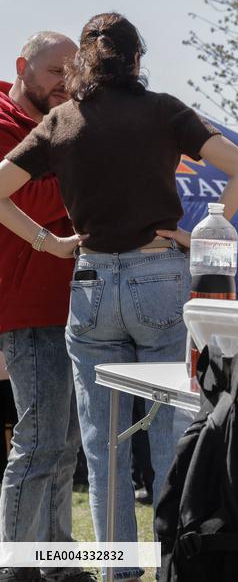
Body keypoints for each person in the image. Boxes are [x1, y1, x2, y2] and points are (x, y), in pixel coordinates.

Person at [0, 13, 238, 582]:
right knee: (170, 432)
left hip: (90, 285)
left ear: (83, 63)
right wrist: (202, 233)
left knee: (102, 446)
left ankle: (118, 571)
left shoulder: (63, 120)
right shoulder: (165, 110)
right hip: (159, 278)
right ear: (137, 59)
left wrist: (48, 242)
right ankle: (173, 565)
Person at [0, 31, 95, 582]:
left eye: (74, 72)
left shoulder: (61, 124)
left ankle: (56, 562)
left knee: (63, 447)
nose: (67, 82)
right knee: (39, 444)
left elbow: (39, 191)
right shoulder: (2, 121)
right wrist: (85, 175)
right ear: (22, 66)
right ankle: (17, 567)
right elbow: (24, 196)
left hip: (75, 305)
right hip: (28, 307)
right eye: (57, 70)